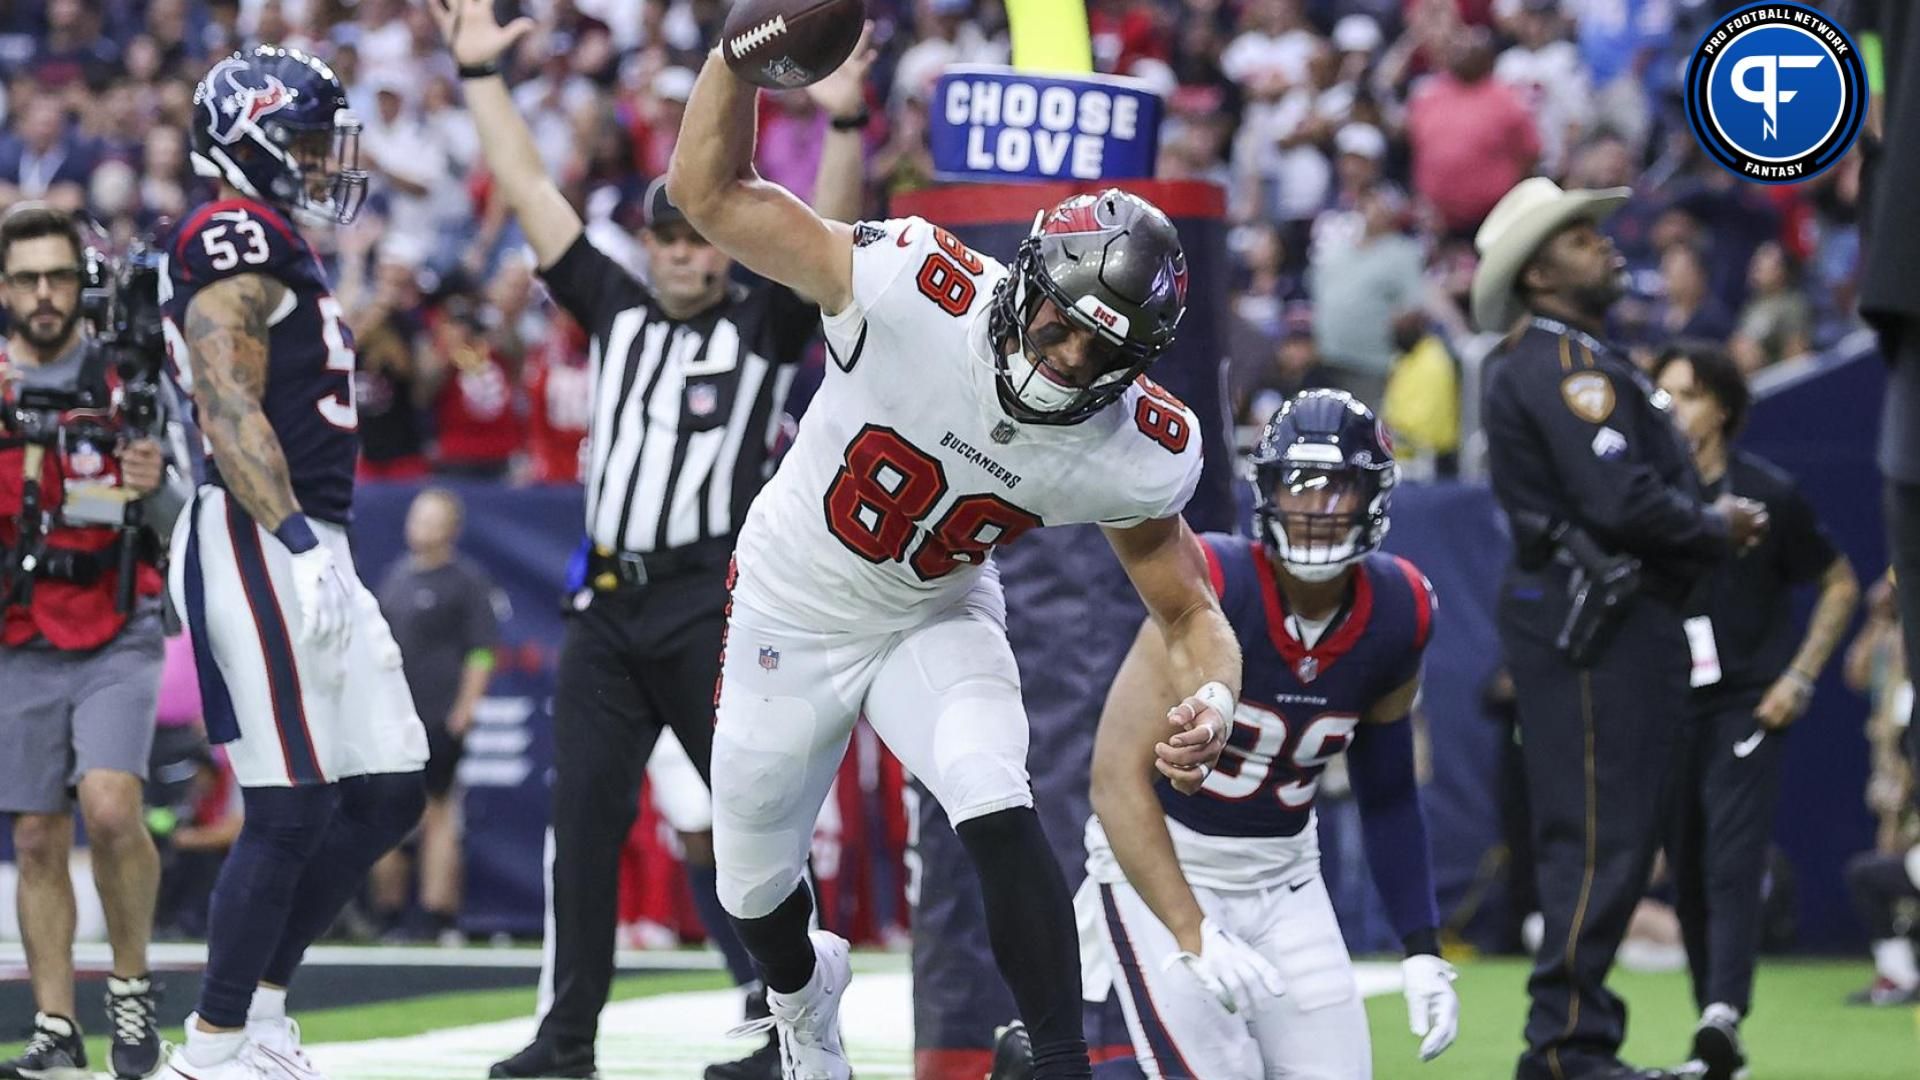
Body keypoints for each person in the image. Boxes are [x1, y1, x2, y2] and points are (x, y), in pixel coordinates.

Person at [661, 18, 1239, 1080]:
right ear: (1026, 280)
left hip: (934, 607)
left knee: (991, 787)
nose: (1065, 364)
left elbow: (1190, 609)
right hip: (795, 594)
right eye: (1060, 326)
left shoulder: (1132, 447)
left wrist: (1214, 697)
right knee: (751, 881)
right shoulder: (910, 287)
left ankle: (1061, 1062)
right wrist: (731, 63)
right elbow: (712, 197)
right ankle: (802, 1012)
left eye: (1098, 354)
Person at [429, 1, 875, 1075]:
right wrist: (483, 78)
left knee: (752, 824)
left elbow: (833, 247)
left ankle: (786, 1025)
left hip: (707, 604)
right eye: (666, 231)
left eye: (696, 230)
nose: (682, 249)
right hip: (607, 605)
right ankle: (566, 1037)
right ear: (648, 240)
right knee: (578, 825)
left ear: (721, 238)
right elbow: (533, 196)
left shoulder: (760, 324)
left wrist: (847, 132)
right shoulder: (615, 310)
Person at [155, 45, 432, 1079]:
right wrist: (299, 543)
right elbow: (229, 407)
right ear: (253, 139)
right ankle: (214, 1046)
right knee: (289, 803)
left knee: (391, 786)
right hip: (260, 530)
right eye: (309, 141)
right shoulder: (231, 232)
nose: (325, 163)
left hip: (312, 534)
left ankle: (262, 1010)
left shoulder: (278, 241)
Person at [1472, 177, 1768, 1080]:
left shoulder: (1578, 355)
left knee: (1614, 834)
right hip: (1595, 622)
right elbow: (1621, 496)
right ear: (1535, 275)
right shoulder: (1564, 365)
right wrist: (1716, 526)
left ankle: (1578, 1039)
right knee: (1598, 835)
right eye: (1576, 237)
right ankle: (1563, 1047)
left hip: (1613, 619)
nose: (1602, 243)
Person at [1076, 391, 1461, 1078]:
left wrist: (1423, 945)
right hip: (1169, 862)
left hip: (1285, 874)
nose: (1315, 508)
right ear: (1268, 490)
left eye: (1336, 488)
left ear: (1372, 496)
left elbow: (1390, 792)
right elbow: (1113, 779)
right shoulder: (1214, 584)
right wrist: (1192, 930)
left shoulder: (1400, 608)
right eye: (1298, 486)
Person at [0, 202, 187, 1078]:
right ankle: (55, 1026)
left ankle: (131, 986)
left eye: (59, 276)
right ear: (5, 289)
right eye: (28, 278)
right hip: (18, 628)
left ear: (83, 284)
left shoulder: (131, 377)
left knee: (111, 805)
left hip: (118, 620)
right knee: (37, 834)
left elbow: (184, 519)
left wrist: (152, 485)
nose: (44, 294)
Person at [1650, 343, 1859, 1080]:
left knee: (1730, 859)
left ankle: (1723, 1014)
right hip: (1670, 706)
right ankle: (1716, 1033)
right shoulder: (1652, 501)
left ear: (1725, 410)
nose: (1673, 407)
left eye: (1689, 394)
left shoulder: (1770, 494)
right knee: (1688, 866)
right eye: (1664, 392)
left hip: (1747, 703)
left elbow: (1839, 582)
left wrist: (1799, 677)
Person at [369, 487, 501, 943]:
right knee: (388, 813)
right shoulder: (395, 580)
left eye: (431, 519)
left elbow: (482, 651)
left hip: (439, 716)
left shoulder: (465, 582)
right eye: (416, 517)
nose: (419, 527)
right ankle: (388, 913)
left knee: (439, 811)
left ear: (451, 529)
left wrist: (465, 707)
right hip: (393, 716)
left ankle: (436, 913)